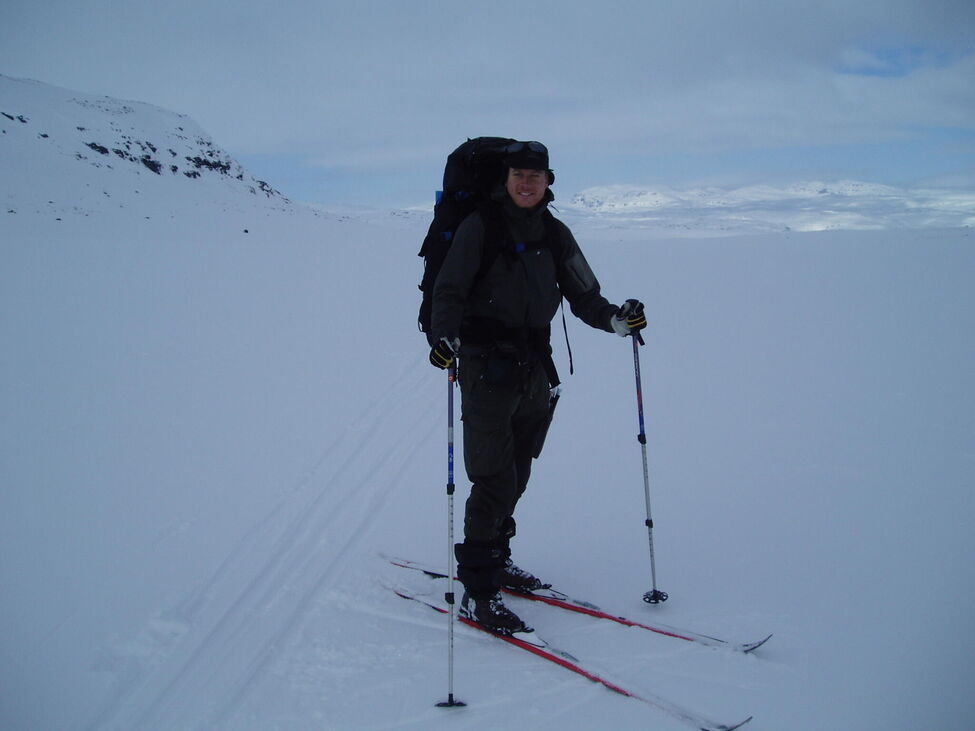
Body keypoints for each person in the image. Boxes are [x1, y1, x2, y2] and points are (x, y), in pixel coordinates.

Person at [427, 140, 646, 634]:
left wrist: (616, 320)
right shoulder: (479, 226)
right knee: (493, 478)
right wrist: (444, 337)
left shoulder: (555, 232)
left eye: (535, 175)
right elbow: (450, 289)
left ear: (549, 181)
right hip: (485, 368)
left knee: (519, 471)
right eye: (518, 175)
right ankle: (479, 589)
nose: (526, 183)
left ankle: (497, 556)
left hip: (534, 369)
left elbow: (584, 295)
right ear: (505, 179)